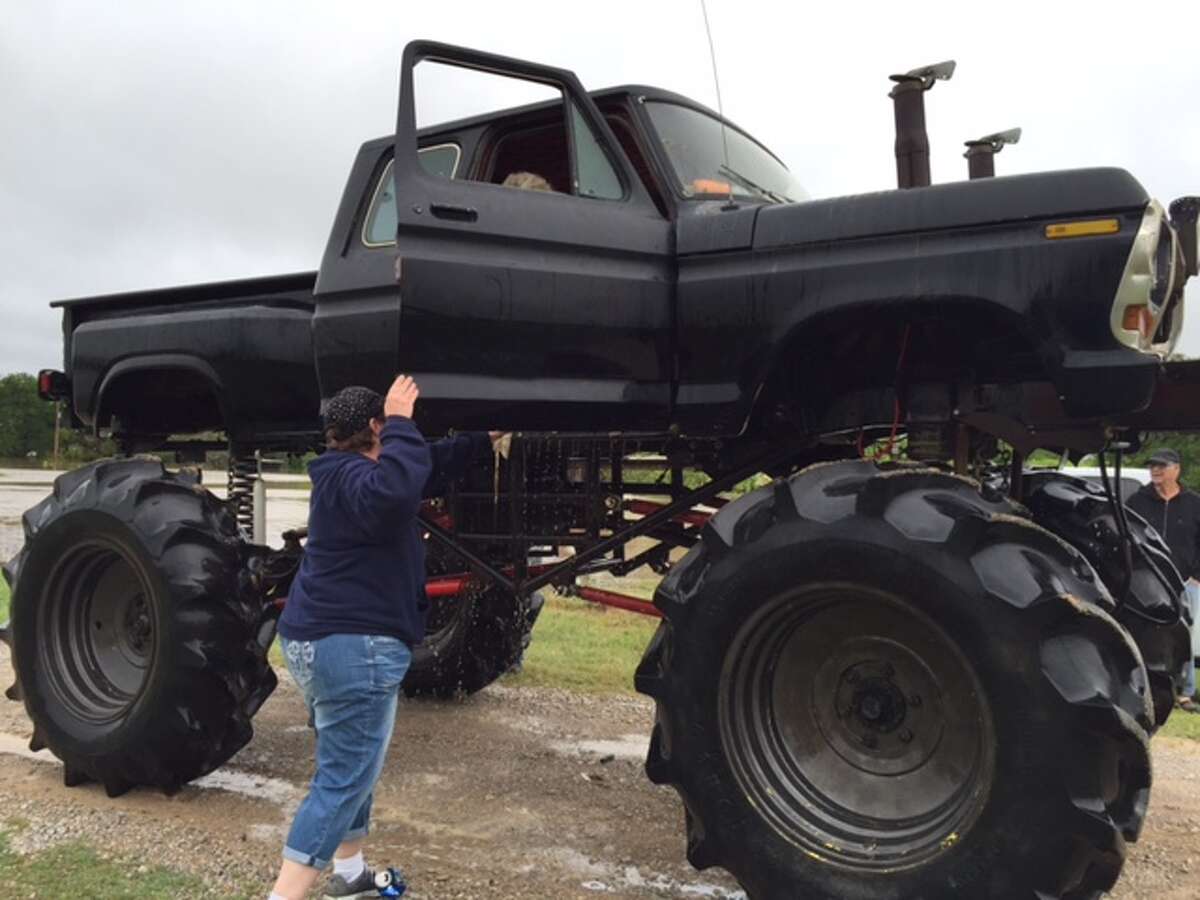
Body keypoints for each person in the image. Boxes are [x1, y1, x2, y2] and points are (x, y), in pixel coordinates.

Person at [268, 375, 497, 899]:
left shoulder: (341, 472)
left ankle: (349, 877)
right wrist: (401, 419)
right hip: (353, 648)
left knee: (351, 762)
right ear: (375, 428)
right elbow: (397, 489)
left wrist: (485, 438)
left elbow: (421, 466)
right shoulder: (359, 480)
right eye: (388, 429)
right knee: (343, 777)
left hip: (319, 641)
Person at [1127, 447, 1200, 713]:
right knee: (1145, 631)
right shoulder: (1137, 501)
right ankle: (1144, 686)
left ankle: (1184, 692)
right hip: (1147, 580)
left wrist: (1196, 575)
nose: (1155, 470)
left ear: (1176, 469)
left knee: (1184, 635)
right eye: (1152, 466)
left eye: (1161, 465)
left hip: (1184, 582)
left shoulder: (1194, 503)